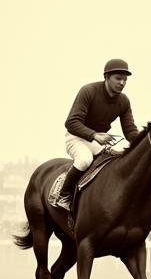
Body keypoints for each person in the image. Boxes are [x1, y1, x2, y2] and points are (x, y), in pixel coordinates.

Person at [56, 59, 139, 213]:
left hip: (97, 142)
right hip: (76, 138)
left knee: (114, 164)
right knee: (84, 160)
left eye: (125, 79)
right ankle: (64, 195)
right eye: (118, 78)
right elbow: (71, 122)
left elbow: (130, 131)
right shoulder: (88, 91)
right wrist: (94, 135)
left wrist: (146, 141)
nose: (122, 83)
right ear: (106, 77)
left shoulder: (124, 101)